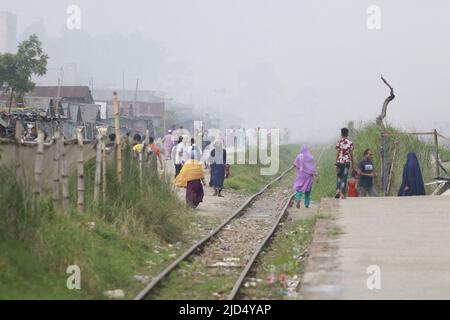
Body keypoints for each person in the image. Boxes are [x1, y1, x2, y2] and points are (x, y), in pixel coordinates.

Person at [293, 144, 318, 208]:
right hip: (309, 176)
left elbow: (294, 164)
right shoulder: (310, 157)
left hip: (301, 174)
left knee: (300, 187)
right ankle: (307, 205)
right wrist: (316, 174)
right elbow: (313, 167)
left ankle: (298, 197)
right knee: (308, 190)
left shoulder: (299, 156)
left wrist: (299, 167)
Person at [335, 127, 355, 199]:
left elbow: (337, 153)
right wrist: (353, 163)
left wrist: (336, 162)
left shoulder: (338, 142)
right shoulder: (350, 143)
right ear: (347, 134)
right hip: (346, 163)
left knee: (339, 177)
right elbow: (351, 154)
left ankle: (338, 190)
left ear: (341, 134)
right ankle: (342, 193)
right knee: (344, 177)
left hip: (339, 162)